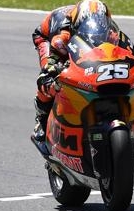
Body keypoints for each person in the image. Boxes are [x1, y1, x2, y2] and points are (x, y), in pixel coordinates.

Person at [31, 0, 121, 142]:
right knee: (47, 78)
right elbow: (53, 60)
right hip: (46, 37)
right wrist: (53, 67)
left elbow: (123, 49)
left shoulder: (110, 31)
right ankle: (41, 119)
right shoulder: (62, 36)